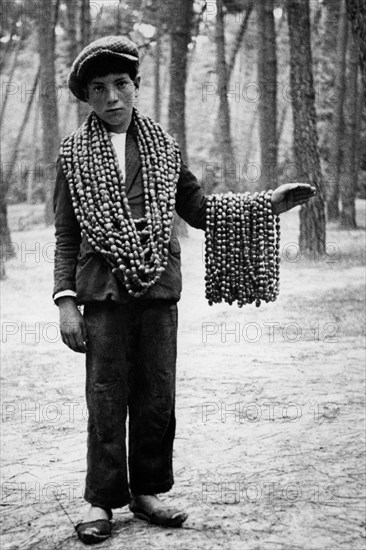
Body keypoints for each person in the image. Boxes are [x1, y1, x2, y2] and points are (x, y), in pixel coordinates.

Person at [53, 35, 316, 545]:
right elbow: (66, 235)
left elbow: (198, 209)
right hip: (103, 296)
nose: (112, 98)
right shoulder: (71, 156)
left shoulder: (163, 149)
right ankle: (101, 501)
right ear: (87, 96)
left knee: (156, 396)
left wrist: (269, 204)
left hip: (157, 291)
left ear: (135, 87)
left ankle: (149, 492)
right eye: (100, 88)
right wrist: (66, 302)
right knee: (106, 397)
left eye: (121, 85)